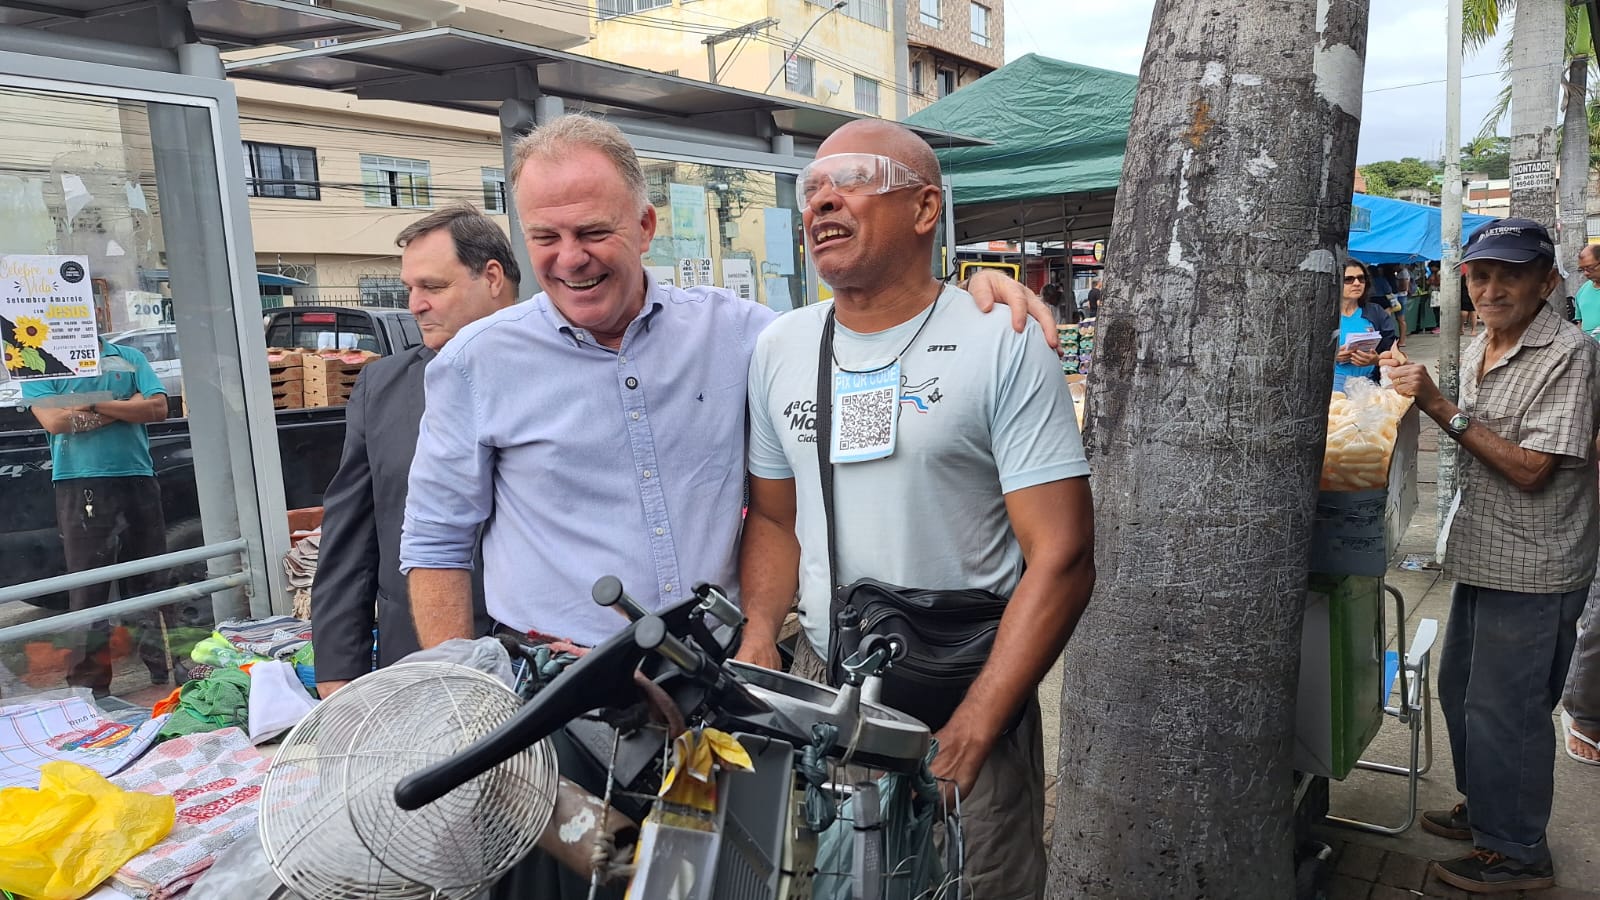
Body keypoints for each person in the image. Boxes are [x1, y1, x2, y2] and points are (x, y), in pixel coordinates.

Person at [399, 113, 1052, 652]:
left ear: (645, 227)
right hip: (559, 684)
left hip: (720, 676)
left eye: (594, 231)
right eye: (546, 236)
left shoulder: (745, 335)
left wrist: (965, 300)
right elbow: (436, 541)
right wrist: (463, 689)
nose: (570, 258)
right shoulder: (476, 362)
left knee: (738, 818)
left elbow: (866, 326)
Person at [735, 120, 1096, 899]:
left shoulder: (1000, 339)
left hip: (964, 702)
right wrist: (761, 630)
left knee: (975, 885)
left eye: (853, 178)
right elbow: (772, 516)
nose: (822, 200)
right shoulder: (780, 347)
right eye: (811, 189)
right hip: (827, 699)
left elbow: (1062, 554)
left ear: (926, 208)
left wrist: (978, 722)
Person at [1383, 218, 1599, 893]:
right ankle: (1489, 811)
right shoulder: (1485, 340)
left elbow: (1534, 469)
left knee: (1509, 708)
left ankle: (1517, 851)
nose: (1493, 286)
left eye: (1511, 272)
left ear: (1547, 281)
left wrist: (1439, 406)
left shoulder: (1571, 353)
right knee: (1462, 693)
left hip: (1536, 564)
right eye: (1481, 273)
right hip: (1481, 549)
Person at [311, 203, 517, 698]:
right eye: (410, 288)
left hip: (542, 656)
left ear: (491, 277)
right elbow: (350, 540)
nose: (415, 304)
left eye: (433, 287)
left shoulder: (569, 369)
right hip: (418, 661)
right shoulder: (382, 385)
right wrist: (338, 673)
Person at [23, 335, 170, 695]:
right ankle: (89, 688)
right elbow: (56, 423)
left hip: (137, 476)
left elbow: (158, 409)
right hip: (79, 482)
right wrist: (122, 404)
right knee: (89, 586)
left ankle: (163, 668)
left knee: (150, 579)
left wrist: (90, 406)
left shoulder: (130, 356)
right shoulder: (38, 362)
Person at [1332, 258, 1397, 394]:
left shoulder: (1376, 312)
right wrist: (1332, 357)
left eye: (1361, 279)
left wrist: (1376, 360)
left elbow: (1395, 353)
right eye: (1349, 279)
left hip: (1369, 385)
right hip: (1332, 387)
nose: (1356, 283)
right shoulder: (1325, 315)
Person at [1573, 244, 1600, 340]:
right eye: (1582, 269)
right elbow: (1580, 323)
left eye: (1589, 268)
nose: (1586, 273)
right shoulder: (1582, 292)